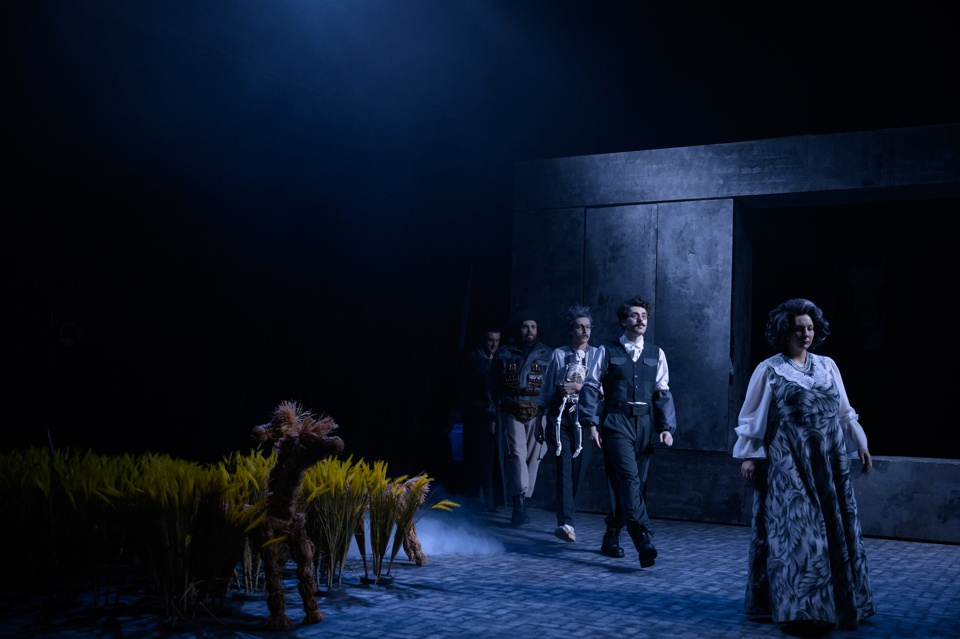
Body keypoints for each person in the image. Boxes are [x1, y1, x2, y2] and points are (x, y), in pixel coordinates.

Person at [734, 298, 876, 634]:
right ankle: (801, 610)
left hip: (829, 461)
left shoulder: (827, 366)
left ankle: (836, 605)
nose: (806, 334)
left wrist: (861, 443)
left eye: (810, 328)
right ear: (785, 332)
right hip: (789, 462)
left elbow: (844, 412)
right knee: (798, 534)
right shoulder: (770, 370)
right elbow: (752, 416)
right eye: (799, 329)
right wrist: (751, 455)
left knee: (834, 529)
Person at [578, 294, 676, 567]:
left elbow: (662, 392)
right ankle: (642, 539)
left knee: (634, 483)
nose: (640, 320)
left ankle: (612, 533)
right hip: (616, 422)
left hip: (644, 424)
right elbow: (590, 387)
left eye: (644, 316)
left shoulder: (657, 353)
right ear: (624, 321)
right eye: (634, 315)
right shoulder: (606, 350)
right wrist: (590, 424)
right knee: (628, 479)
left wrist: (666, 428)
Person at [535, 305, 599, 543]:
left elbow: (603, 388)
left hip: (585, 419)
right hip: (560, 417)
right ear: (571, 330)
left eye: (588, 327)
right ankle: (566, 522)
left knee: (578, 470)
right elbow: (546, 389)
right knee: (564, 467)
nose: (585, 331)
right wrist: (539, 421)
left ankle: (569, 512)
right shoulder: (559, 354)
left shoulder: (598, 355)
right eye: (580, 327)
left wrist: (578, 387)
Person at [487, 311, 551, 526]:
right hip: (511, 409)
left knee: (535, 457)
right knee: (515, 454)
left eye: (533, 326)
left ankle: (524, 496)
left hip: (538, 412)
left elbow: (553, 385)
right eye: (525, 326)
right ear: (518, 329)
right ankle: (519, 502)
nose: (529, 330)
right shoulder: (504, 353)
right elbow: (492, 386)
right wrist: (491, 414)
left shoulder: (548, 354)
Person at [452, 327, 502, 511]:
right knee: (475, 454)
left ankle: (490, 497)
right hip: (476, 413)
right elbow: (462, 388)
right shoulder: (473, 360)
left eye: (497, 340)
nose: (494, 344)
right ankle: (473, 495)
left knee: (490, 456)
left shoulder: (500, 358)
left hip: (494, 413)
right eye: (490, 340)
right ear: (483, 339)